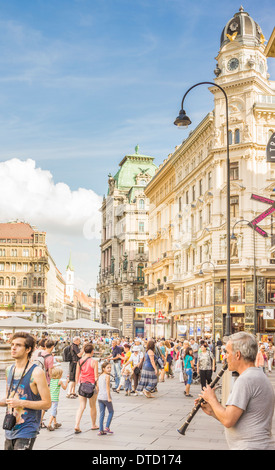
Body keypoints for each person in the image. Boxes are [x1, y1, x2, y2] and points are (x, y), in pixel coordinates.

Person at [198, 332, 275, 450]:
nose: (225, 357)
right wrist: (212, 411)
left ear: (238, 355)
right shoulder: (257, 375)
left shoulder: (246, 380)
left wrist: (212, 399)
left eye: (227, 352)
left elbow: (228, 420)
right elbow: (235, 419)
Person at [0, 332, 51, 450]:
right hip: (10, 427)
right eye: (12, 344)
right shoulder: (9, 370)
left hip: (27, 429)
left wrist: (21, 403)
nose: (13, 347)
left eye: (18, 345)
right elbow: (10, 398)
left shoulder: (37, 372)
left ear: (28, 349)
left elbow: (47, 403)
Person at [74, 343, 98, 433]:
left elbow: (77, 375)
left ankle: (77, 425)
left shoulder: (80, 361)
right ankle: (93, 424)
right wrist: (97, 386)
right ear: (92, 352)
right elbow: (96, 376)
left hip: (82, 385)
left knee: (81, 406)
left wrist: (78, 384)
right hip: (91, 386)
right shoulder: (94, 361)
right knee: (92, 406)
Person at [97, 361, 114, 435]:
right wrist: (109, 397)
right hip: (105, 397)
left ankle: (101, 430)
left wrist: (98, 394)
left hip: (100, 397)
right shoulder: (107, 376)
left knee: (102, 413)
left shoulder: (100, 376)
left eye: (110, 367)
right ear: (103, 368)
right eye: (108, 368)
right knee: (111, 411)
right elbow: (107, 387)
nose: (109, 369)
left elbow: (97, 387)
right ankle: (107, 427)